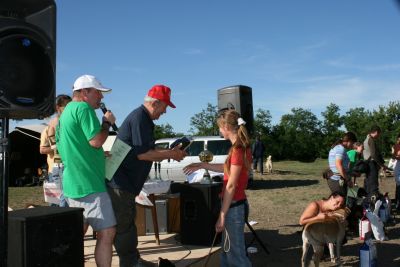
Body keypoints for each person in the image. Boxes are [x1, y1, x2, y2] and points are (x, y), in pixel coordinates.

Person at [106, 85, 186, 267]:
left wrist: (169, 152)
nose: (165, 112)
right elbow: (143, 154)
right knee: (124, 226)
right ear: (155, 103)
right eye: (165, 107)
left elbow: (145, 150)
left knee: (127, 223)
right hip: (120, 182)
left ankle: (133, 260)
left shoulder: (142, 118)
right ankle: (131, 263)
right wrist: (171, 154)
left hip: (123, 182)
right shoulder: (140, 117)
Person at [56, 74, 117, 267]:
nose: (101, 97)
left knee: (76, 235)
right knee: (107, 232)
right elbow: (96, 141)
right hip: (89, 184)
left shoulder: (65, 113)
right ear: (84, 92)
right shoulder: (83, 108)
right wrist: (106, 122)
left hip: (73, 183)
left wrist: (99, 156)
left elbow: (76, 147)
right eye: (98, 92)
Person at [183, 109, 252, 267]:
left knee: (236, 257)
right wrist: (202, 164)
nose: (219, 130)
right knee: (227, 253)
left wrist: (222, 215)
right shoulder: (241, 147)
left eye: (220, 127)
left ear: (226, 126)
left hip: (233, 207)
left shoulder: (238, 149)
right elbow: (228, 168)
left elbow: (232, 185)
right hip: (234, 206)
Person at [40, 94, 72, 207]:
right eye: (66, 106)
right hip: (58, 166)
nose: (70, 109)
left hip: (61, 166)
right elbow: (43, 149)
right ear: (58, 107)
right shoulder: (55, 124)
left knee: (57, 200)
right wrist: (56, 146)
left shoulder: (60, 122)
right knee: (61, 198)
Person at [363, 125, 385, 197]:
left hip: (367, 164)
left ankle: (368, 198)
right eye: (378, 134)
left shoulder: (366, 139)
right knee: (373, 184)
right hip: (371, 164)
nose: (378, 136)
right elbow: (373, 155)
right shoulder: (371, 140)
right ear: (375, 132)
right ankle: (373, 201)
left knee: (368, 183)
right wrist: (381, 164)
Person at [392, 134, 400, 210]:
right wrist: (396, 156)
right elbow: (393, 156)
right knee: (398, 184)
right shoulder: (396, 145)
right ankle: (397, 202)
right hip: (398, 164)